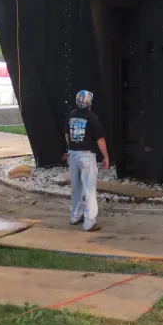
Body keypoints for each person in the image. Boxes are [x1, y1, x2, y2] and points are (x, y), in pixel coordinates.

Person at [63, 89, 109, 232]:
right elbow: (100, 139)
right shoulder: (92, 117)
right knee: (89, 189)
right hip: (86, 156)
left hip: (72, 155)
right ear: (90, 103)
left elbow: (66, 134)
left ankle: (75, 216)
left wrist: (70, 148)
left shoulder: (71, 115)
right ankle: (89, 222)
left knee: (76, 187)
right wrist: (106, 156)